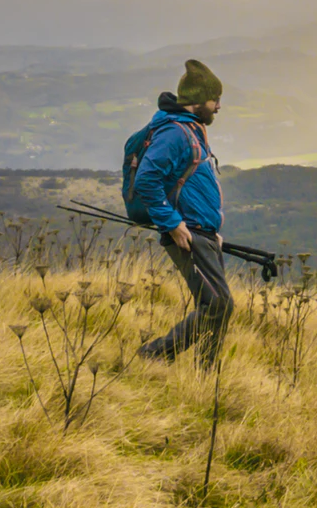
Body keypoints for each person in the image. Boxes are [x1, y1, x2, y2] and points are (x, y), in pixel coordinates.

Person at [135, 59, 233, 370]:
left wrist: (210, 227)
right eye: (214, 99)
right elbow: (146, 180)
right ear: (198, 100)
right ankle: (156, 355)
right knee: (217, 303)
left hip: (202, 232)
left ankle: (206, 373)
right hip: (187, 233)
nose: (218, 106)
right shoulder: (175, 133)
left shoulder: (192, 128)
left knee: (219, 305)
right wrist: (173, 223)